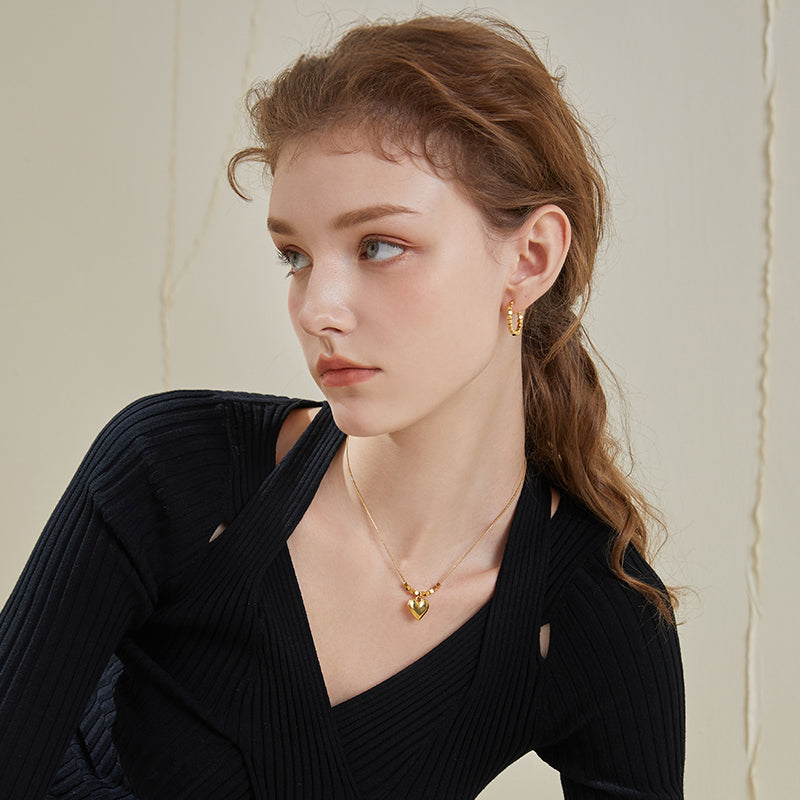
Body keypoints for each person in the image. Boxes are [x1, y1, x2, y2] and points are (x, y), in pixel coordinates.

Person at [0, 12, 684, 800]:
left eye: (378, 246)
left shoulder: (595, 611)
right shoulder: (170, 470)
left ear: (529, 259)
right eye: (295, 255)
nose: (315, 307)